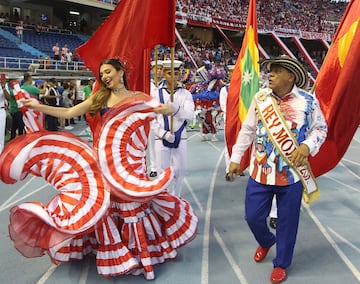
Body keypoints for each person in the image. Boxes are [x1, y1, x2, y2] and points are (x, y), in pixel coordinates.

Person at [22, 58, 198, 279]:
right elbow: (69, 113)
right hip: (104, 164)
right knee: (108, 206)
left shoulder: (138, 98)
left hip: (129, 168)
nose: (105, 77)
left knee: (131, 206)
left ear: (120, 71)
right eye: (102, 74)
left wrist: (171, 108)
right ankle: (112, 249)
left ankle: (137, 252)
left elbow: (164, 110)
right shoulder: (100, 97)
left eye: (108, 71)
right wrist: (38, 106)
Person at [228, 56, 327, 284]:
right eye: (270, 71)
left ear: (290, 76)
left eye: (276, 71)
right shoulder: (260, 98)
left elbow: (320, 129)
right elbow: (248, 130)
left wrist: (306, 146)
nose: (269, 74)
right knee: (252, 216)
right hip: (260, 173)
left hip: (291, 176)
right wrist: (235, 158)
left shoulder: (308, 101)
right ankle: (265, 240)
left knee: (287, 222)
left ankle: (281, 263)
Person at [151, 59, 195, 197]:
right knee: (162, 171)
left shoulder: (185, 94)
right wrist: (162, 133)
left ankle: (176, 196)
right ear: (164, 74)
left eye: (176, 73)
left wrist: (175, 109)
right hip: (161, 137)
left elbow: (190, 114)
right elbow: (151, 118)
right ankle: (164, 199)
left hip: (180, 136)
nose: (174, 76)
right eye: (170, 73)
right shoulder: (156, 94)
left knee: (180, 170)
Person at [148, 60, 164, 178]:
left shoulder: (166, 84)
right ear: (152, 70)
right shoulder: (148, 84)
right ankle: (154, 167)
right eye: (157, 69)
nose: (159, 71)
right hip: (151, 116)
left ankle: (165, 165)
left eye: (161, 69)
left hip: (164, 116)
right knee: (152, 142)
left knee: (166, 142)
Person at [0, 73, 8, 152]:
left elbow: (8, 98)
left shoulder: (5, 87)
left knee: (1, 134)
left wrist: (4, 88)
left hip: (1, 111)